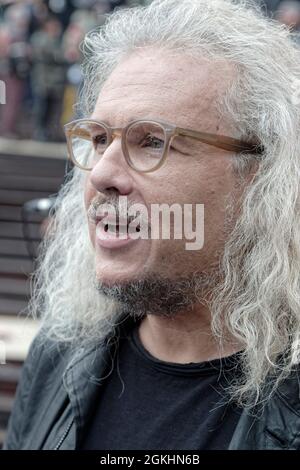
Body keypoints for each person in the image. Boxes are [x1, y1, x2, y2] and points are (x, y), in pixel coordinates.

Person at [3, 0, 300, 450]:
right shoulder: (60, 353)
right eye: (99, 138)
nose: (101, 174)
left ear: (259, 175)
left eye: (153, 142)